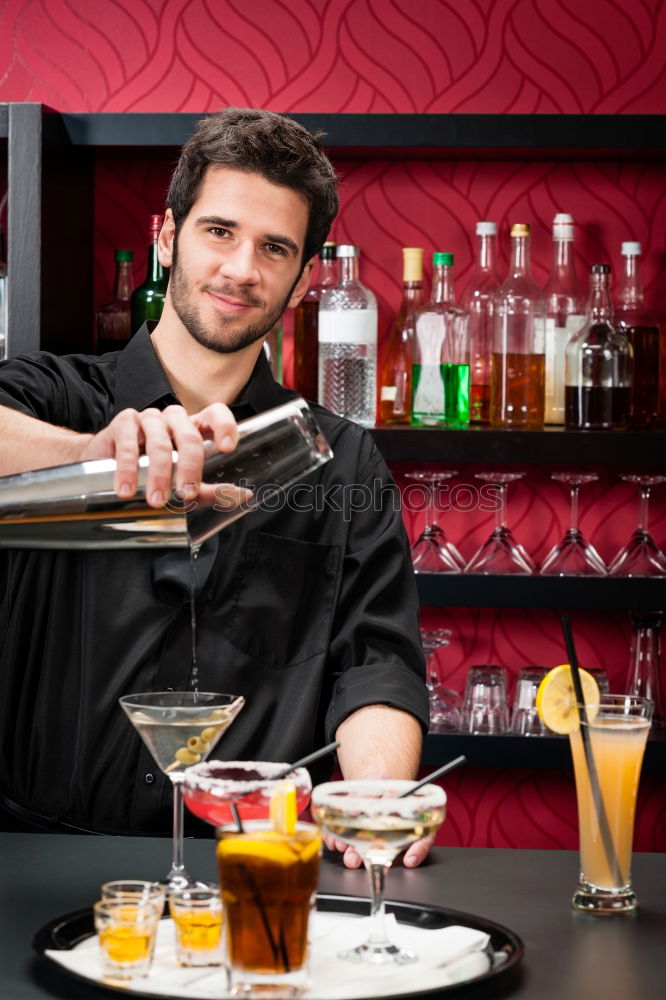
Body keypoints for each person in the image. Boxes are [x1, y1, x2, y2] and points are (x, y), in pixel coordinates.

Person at [0, 109, 430, 865]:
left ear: (302, 283)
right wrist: (95, 457)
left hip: (250, 864)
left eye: (275, 249)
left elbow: (376, 662)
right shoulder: (55, 397)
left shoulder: (339, 458)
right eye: (220, 232)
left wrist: (375, 795)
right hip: (30, 858)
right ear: (167, 238)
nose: (242, 269)